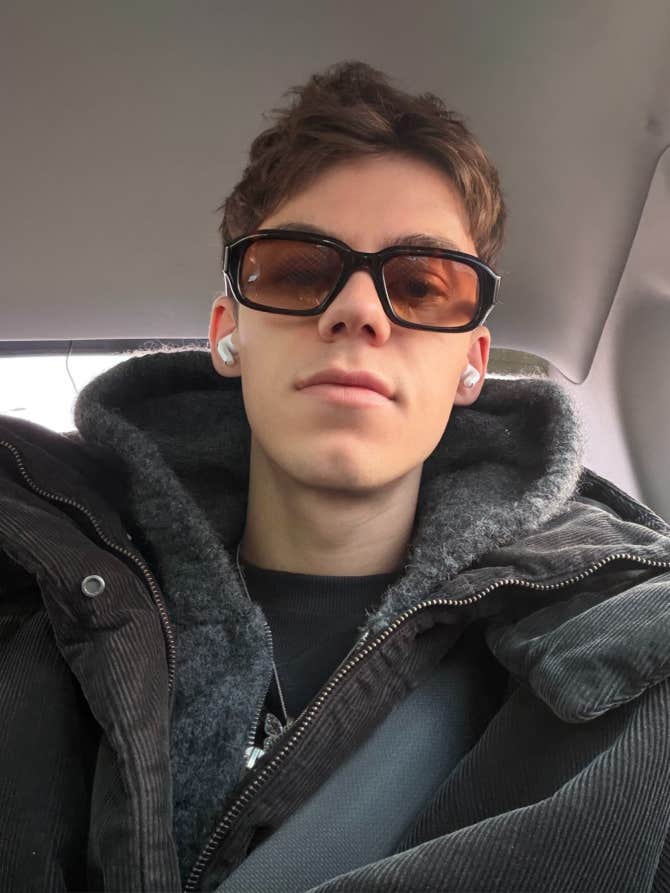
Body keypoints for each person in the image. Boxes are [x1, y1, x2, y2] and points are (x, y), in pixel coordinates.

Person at [1, 59, 670, 893]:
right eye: (298, 271)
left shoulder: (626, 650)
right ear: (227, 332)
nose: (357, 310)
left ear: (473, 362)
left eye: (421, 285)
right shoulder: (30, 591)